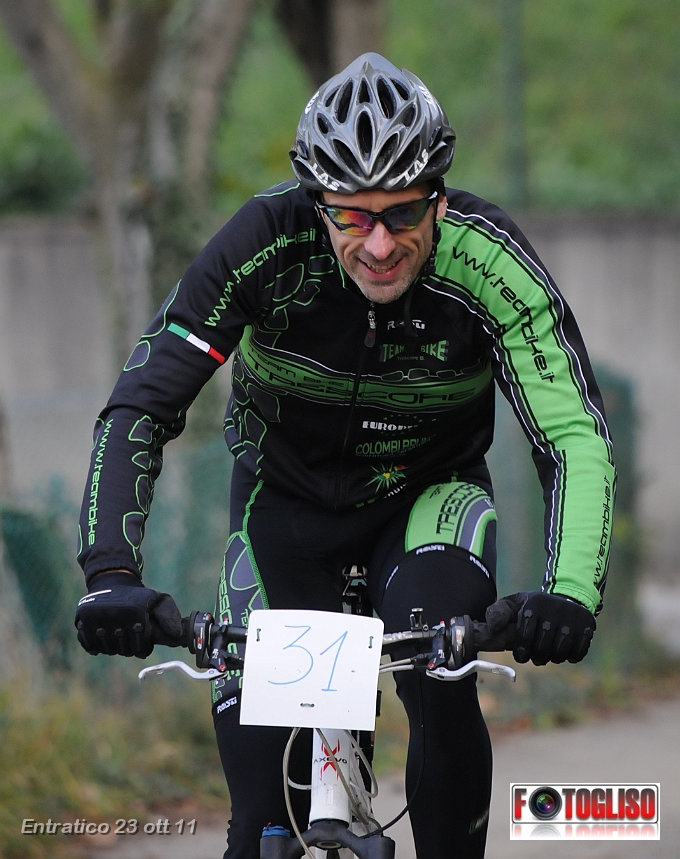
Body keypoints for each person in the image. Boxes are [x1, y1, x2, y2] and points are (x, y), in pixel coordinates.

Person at [75, 53, 615, 858]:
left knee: (438, 674)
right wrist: (110, 574)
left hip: (428, 502)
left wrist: (569, 593)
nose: (380, 243)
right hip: (285, 505)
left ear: (439, 198)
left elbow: (571, 434)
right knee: (261, 824)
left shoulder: (490, 262)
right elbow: (141, 407)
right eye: (352, 217)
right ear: (315, 203)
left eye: (403, 213)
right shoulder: (262, 243)